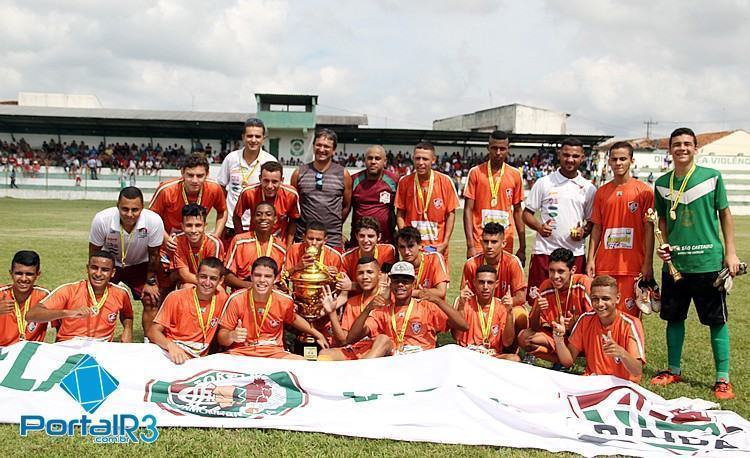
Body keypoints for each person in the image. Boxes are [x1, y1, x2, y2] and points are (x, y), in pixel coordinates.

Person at [650, 127, 741, 400]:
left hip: (708, 263)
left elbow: (725, 215)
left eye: (687, 144)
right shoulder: (662, 183)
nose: (682, 148)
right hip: (676, 265)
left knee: (716, 321)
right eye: (677, 144)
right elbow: (661, 221)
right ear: (670, 150)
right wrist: (662, 245)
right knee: (674, 318)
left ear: (695, 148)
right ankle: (673, 369)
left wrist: (731, 253)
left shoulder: (712, 178)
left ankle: (722, 379)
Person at [523, 138, 596, 303]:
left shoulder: (589, 188)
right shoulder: (544, 183)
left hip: (574, 253)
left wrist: (584, 231)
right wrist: (540, 227)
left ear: (583, 157)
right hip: (545, 252)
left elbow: (592, 222)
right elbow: (526, 214)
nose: (570, 159)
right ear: (559, 155)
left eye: (575, 156)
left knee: (573, 301)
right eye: (566, 155)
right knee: (539, 300)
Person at [586, 141, 655, 318]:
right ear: (608, 161)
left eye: (623, 159)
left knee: (630, 316)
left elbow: (649, 230)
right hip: (605, 265)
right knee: (603, 314)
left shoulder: (644, 192)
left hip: (632, 266)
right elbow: (597, 228)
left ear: (631, 161)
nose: (618, 163)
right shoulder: (601, 192)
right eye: (614, 159)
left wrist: (647, 263)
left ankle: (630, 347)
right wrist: (590, 259)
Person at [344, 261, 468, 355]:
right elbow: (351, 338)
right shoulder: (382, 311)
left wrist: (438, 301)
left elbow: (463, 326)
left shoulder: (427, 307)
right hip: (395, 362)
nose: (400, 285)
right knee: (381, 340)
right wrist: (367, 310)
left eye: (405, 281)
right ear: (390, 283)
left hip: (422, 361)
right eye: (396, 280)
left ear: (413, 284)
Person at [217, 257, 329, 359]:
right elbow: (221, 338)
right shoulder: (237, 299)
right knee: (216, 363)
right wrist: (232, 335)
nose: (262, 280)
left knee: (302, 364)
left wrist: (317, 334)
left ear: (275, 279)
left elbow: (294, 319)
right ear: (251, 277)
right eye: (257, 275)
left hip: (274, 353)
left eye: (267, 276)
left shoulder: (284, 300)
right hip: (241, 353)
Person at [89, 186, 164, 333]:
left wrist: (151, 282)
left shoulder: (153, 221)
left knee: (152, 298)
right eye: (125, 209)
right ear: (117, 206)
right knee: (94, 298)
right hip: (110, 265)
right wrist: (96, 276)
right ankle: (95, 336)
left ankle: (149, 341)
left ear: (142, 207)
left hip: (141, 265)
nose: (130, 214)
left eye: (135, 210)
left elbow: (154, 255)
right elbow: (94, 253)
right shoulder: (102, 219)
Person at [553, 275, 646, 382]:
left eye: (605, 299)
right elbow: (568, 362)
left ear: (617, 298)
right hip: (592, 381)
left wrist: (621, 353)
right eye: (595, 299)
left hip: (622, 385)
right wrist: (559, 340)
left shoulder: (630, 324)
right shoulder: (585, 319)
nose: (600, 304)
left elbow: (637, 371)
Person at [26, 251, 133, 342]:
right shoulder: (69, 290)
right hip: (70, 346)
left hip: (102, 347)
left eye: (105, 270)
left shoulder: (121, 293)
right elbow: (31, 315)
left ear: (113, 272)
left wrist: (128, 329)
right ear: (87, 268)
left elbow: (127, 316)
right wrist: (67, 313)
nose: (98, 274)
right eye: (94, 268)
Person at [147, 257, 229, 364]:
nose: (207, 283)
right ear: (196, 276)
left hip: (199, 359)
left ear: (221, 280)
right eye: (203, 277)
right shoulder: (176, 297)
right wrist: (171, 346)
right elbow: (153, 332)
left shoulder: (223, 299)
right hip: (171, 352)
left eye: (213, 278)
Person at [517, 248, 592, 364]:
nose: (555, 276)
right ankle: (560, 361)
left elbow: (595, 320)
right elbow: (534, 326)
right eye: (551, 271)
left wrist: (575, 325)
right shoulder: (546, 285)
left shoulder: (583, 283)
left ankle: (569, 360)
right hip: (557, 337)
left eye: (561, 271)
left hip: (580, 339)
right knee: (525, 337)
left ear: (573, 270)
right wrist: (537, 309)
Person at [463, 130, 526, 264]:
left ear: (508, 149)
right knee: (481, 281)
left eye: (502, 148)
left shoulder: (515, 175)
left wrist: (522, 247)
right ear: (488, 148)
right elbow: (468, 209)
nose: (498, 152)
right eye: (494, 148)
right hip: (481, 239)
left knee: (502, 281)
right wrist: (470, 245)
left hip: (505, 240)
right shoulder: (476, 173)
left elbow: (518, 211)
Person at [317, 256, 395, 360]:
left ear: (379, 274)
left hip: (379, 348)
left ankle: (361, 370)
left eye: (370, 272)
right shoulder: (352, 302)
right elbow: (344, 340)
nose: (365, 277)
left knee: (382, 340)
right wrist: (332, 312)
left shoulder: (389, 298)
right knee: (324, 353)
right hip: (356, 349)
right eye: (360, 273)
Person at [395, 142, 459, 262]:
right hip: (412, 248)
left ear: (433, 160)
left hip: (437, 247)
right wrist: (405, 240)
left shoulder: (445, 181)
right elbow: (400, 213)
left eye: (425, 159)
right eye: (417, 158)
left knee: (438, 280)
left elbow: (450, 214)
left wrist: (445, 243)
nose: (420, 163)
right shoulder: (404, 182)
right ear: (413, 158)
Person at [460, 223, 527, 336]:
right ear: (481, 242)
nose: (489, 246)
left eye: (494, 242)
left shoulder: (513, 263)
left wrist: (499, 307)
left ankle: (511, 348)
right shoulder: (471, 264)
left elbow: (520, 297)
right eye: (486, 241)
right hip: (480, 308)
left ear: (503, 243)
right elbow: (465, 296)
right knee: (459, 306)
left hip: (504, 307)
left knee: (520, 314)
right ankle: (467, 343)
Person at [218, 118, 278, 244]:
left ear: (263, 138)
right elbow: (221, 188)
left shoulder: (269, 161)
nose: (253, 140)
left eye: (257, 136)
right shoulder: (231, 158)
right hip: (231, 225)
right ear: (243, 137)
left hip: (258, 224)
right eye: (250, 136)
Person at [291, 129, 352, 249]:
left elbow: (346, 206)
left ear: (334, 150)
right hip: (305, 238)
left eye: (326, 146)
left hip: (332, 239)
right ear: (313, 146)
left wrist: (333, 226)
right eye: (318, 145)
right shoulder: (299, 173)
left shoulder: (343, 174)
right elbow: (293, 206)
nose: (322, 149)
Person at [149, 153, 227, 242]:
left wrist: (216, 236)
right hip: (169, 242)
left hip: (196, 243)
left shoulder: (214, 188)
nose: (194, 180)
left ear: (207, 174)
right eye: (190, 175)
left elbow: (223, 211)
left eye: (200, 176)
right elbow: (151, 217)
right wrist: (166, 238)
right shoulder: (166, 190)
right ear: (182, 172)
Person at [453, 265, 519, 360]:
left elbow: (507, 342)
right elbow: (456, 336)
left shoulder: (502, 306)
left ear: (496, 284)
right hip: (467, 355)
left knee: (514, 359)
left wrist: (509, 312)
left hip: (492, 356)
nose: (485, 287)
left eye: (490, 282)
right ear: (474, 283)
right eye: (481, 282)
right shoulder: (463, 302)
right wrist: (461, 307)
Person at [232, 161, 300, 246]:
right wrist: (242, 240)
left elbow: (293, 220)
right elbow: (236, 216)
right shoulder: (249, 193)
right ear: (260, 178)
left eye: (274, 182)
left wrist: (288, 247)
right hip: (254, 242)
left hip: (279, 243)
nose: (269, 186)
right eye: (266, 181)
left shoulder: (291, 195)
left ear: (281, 180)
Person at [225, 202, 286, 290]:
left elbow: (279, 281)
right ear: (253, 219)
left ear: (275, 219)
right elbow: (227, 277)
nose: (263, 218)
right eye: (258, 214)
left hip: (269, 298)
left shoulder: (281, 248)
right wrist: (253, 286)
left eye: (268, 214)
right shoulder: (239, 241)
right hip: (243, 295)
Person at [349, 145, 399, 246]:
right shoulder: (353, 180)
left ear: (384, 162)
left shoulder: (394, 181)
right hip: (359, 242)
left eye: (377, 158)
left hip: (386, 242)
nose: (373, 161)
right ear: (365, 160)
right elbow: (345, 208)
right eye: (370, 158)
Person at [0, 251, 50, 345]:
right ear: (11, 273)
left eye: (29, 274)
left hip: (31, 354)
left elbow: (63, 323)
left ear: (37, 275)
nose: (23, 279)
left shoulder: (44, 296)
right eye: (19, 273)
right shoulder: (1, 294)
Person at [170, 204, 224, 287]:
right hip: (189, 282)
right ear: (182, 226)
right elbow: (185, 275)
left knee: (220, 290)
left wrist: (204, 284)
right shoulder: (177, 241)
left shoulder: (214, 243)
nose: (193, 230)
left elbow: (213, 274)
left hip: (210, 282)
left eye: (198, 225)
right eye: (189, 225)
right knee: (186, 287)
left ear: (205, 226)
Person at [341, 217, 396, 290]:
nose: (366, 240)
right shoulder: (346, 258)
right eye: (362, 236)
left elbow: (384, 283)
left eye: (370, 236)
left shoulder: (388, 251)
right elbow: (344, 286)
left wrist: (354, 286)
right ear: (356, 236)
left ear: (379, 237)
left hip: (380, 296)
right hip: (355, 298)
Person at [394, 227, 449, 300]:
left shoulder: (434, 258)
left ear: (420, 245)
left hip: (432, 308)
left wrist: (413, 293)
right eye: (402, 247)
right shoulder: (399, 268)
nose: (406, 252)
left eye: (410, 246)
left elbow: (441, 292)